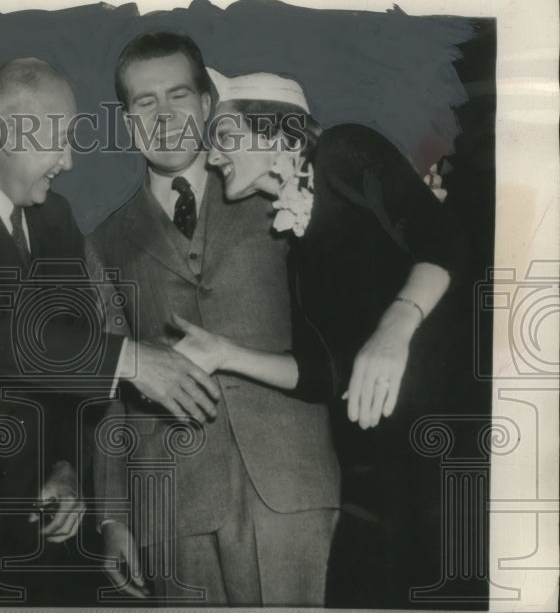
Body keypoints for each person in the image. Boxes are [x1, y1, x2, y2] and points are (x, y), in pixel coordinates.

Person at [0, 58, 221, 605]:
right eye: (60, 141)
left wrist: (66, 465)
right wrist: (134, 360)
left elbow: (70, 347)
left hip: (38, 516)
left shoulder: (56, 218)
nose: (70, 161)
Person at [177, 69, 463, 607]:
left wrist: (394, 326)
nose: (213, 157)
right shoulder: (297, 245)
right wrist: (225, 354)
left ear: (278, 131)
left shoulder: (343, 149)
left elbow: (445, 241)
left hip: (459, 418)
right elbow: (324, 371)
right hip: (401, 454)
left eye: (225, 137)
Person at [88, 32, 340, 606]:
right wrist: (114, 518)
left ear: (207, 105)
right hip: (171, 504)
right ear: (128, 121)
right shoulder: (102, 243)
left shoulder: (278, 192)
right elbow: (111, 392)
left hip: (292, 485)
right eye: (144, 102)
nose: (164, 114)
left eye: (178, 94)